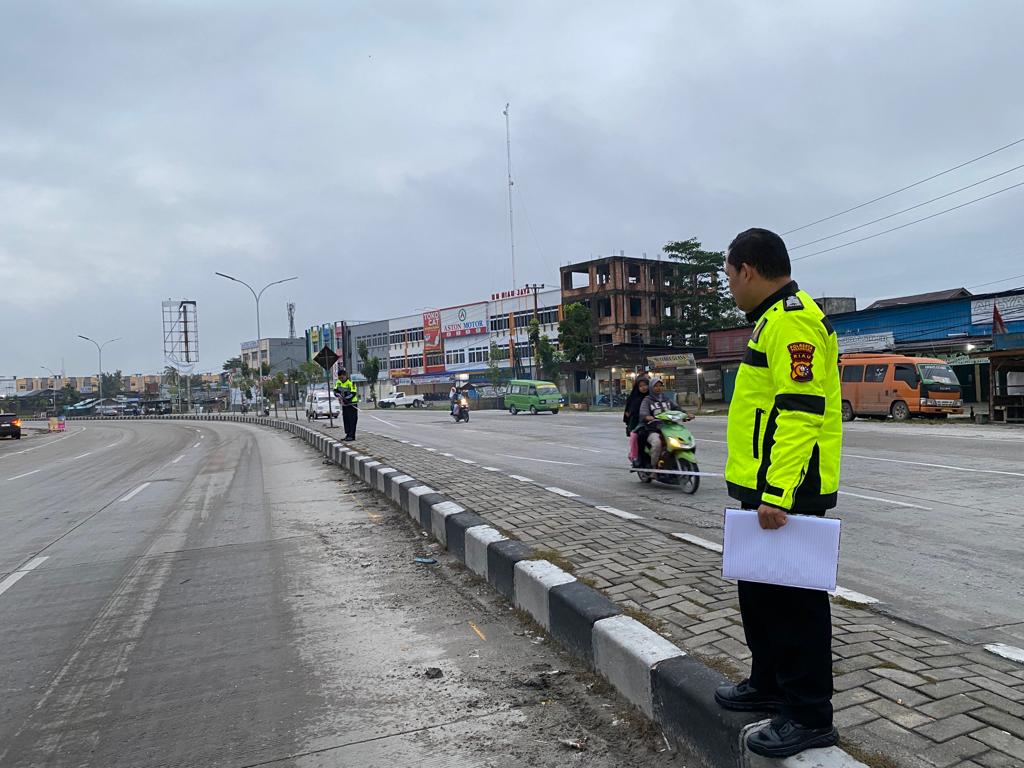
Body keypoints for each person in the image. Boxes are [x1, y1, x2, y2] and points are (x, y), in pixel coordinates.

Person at [714, 228, 842, 759]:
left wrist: (777, 493)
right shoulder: (769, 321)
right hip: (766, 489)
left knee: (795, 604)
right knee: (761, 594)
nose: (728, 287)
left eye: (728, 276)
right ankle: (768, 683)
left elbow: (799, 413)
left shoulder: (793, 321)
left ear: (747, 269)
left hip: (789, 491)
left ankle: (809, 713)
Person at [637, 378, 681, 470]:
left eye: (660, 386)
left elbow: (677, 408)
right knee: (657, 443)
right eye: (656, 386)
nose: (658, 388)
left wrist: (686, 414)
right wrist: (648, 417)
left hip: (669, 428)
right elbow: (643, 413)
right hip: (653, 429)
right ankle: (654, 467)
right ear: (651, 388)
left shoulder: (666, 399)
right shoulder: (647, 400)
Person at [334, 369, 360, 440]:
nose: (341, 379)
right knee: (346, 420)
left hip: (352, 404)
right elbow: (335, 391)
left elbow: (353, 393)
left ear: (345, 376)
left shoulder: (351, 382)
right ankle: (348, 434)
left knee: (352, 420)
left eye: (342, 378)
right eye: (339, 378)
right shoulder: (338, 382)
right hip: (344, 405)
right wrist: (338, 395)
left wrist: (345, 399)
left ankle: (352, 436)